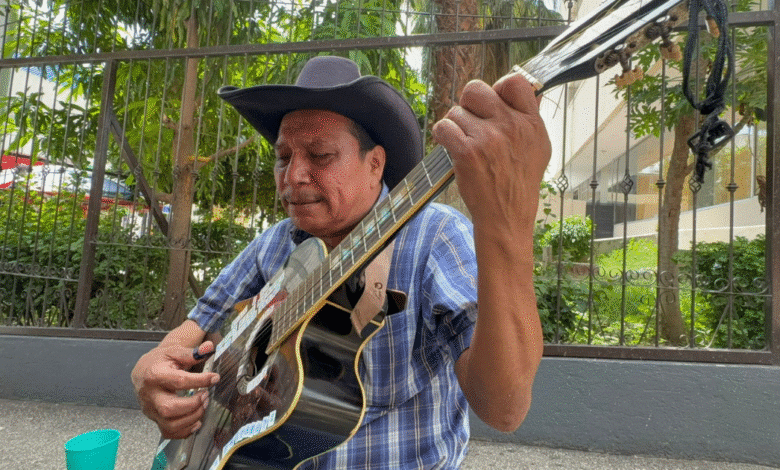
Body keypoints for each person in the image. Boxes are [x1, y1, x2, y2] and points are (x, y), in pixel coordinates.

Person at [132, 55, 551, 469]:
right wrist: (151, 369)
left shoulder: (435, 237)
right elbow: (197, 325)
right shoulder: (274, 244)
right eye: (283, 157)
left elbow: (504, 408)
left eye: (319, 155)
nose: (293, 176)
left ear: (375, 164)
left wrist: (506, 227)